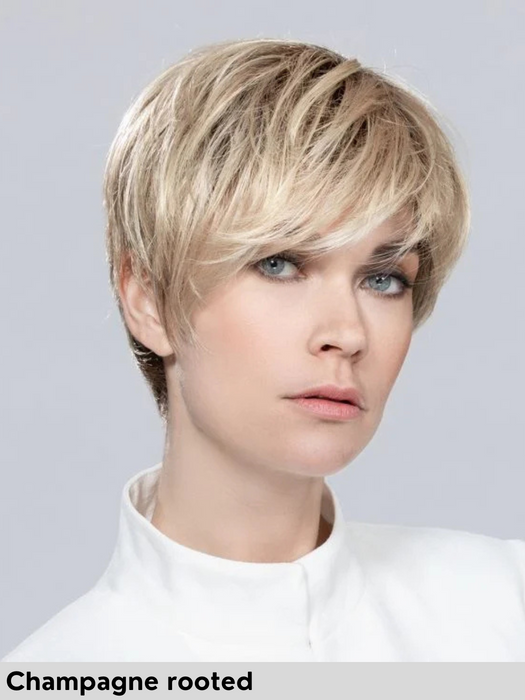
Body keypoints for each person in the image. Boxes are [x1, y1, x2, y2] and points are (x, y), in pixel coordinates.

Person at [3, 38, 524, 663]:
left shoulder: (502, 610)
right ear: (149, 300)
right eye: (280, 264)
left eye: (383, 279)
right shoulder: (59, 672)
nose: (348, 333)